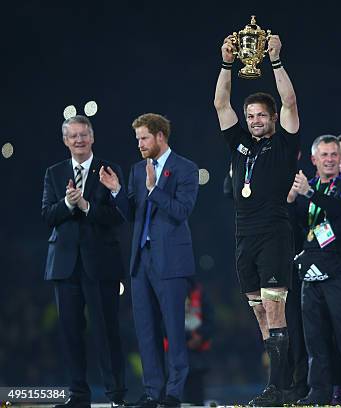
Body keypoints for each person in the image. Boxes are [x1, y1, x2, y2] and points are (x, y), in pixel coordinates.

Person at [213, 33, 299, 405]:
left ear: (274, 118)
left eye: (261, 115)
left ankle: (280, 389)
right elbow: (220, 103)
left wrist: (276, 60)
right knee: (261, 312)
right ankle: (278, 383)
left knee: (275, 306)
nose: (254, 121)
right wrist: (226, 62)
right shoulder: (240, 144)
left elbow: (291, 100)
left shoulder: (284, 144)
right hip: (243, 237)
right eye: (250, 116)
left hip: (274, 235)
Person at [99, 113, 199, 408]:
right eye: (138, 139)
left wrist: (155, 189)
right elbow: (132, 214)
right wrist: (117, 190)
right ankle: (153, 391)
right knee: (146, 330)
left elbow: (181, 211)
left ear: (160, 136)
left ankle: (174, 393)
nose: (140, 144)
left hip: (171, 262)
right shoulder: (137, 170)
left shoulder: (186, 169)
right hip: (141, 262)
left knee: (173, 329)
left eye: (144, 138)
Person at [42, 115, 127, 408]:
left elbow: (119, 216)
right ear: (65, 141)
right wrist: (67, 204)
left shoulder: (109, 170)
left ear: (92, 137)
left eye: (83, 135)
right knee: (70, 334)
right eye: (73, 136)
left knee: (107, 331)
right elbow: (47, 216)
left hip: (101, 264)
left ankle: (116, 396)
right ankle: (78, 397)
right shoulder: (54, 173)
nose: (79, 140)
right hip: (65, 267)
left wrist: (86, 206)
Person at [288, 135, 341, 405]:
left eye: (335, 155)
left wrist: (308, 193)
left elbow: (340, 210)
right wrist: (290, 199)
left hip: (339, 266)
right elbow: (299, 223)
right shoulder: (310, 186)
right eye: (325, 155)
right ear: (314, 160)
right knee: (314, 335)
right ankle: (318, 390)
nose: (331, 159)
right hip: (311, 268)